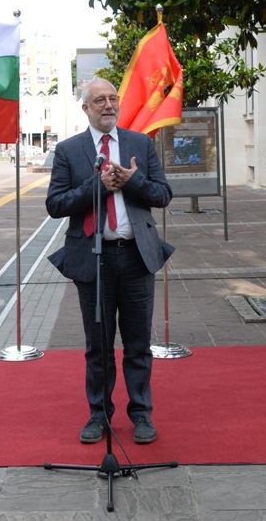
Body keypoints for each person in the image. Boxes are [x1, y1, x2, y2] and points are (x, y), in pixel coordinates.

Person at [46, 78, 174, 445]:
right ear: (85, 108)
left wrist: (133, 181)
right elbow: (55, 204)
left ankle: (141, 414)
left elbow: (163, 194)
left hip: (136, 257)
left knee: (138, 344)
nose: (108, 105)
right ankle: (99, 415)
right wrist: (97, 186)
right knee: (98, 347)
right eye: (99, 100)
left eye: (112, 99)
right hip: (93, 260)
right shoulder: (68, 150)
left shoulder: (140, 143)